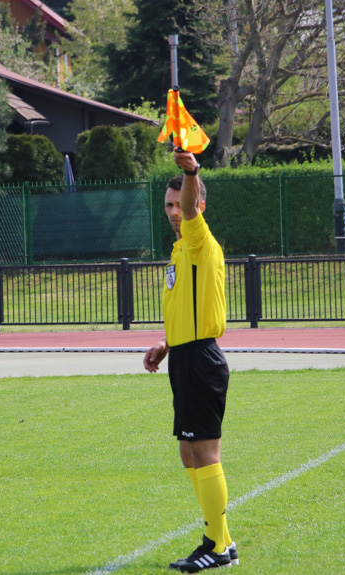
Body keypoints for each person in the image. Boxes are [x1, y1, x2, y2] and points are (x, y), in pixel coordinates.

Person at [143, 149, 237, 572]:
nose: (173, 211)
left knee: (206, 451)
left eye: (180, 203)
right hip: (184, 355)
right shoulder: (179, 252)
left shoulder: (199, 239)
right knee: (188, 453)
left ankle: (215, 547)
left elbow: (190, 203)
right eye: (167, 204)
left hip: (201, 358)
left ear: (198, 204)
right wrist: (166, 344)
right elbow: (187, 308)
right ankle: (224, 541)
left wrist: (193, 171)